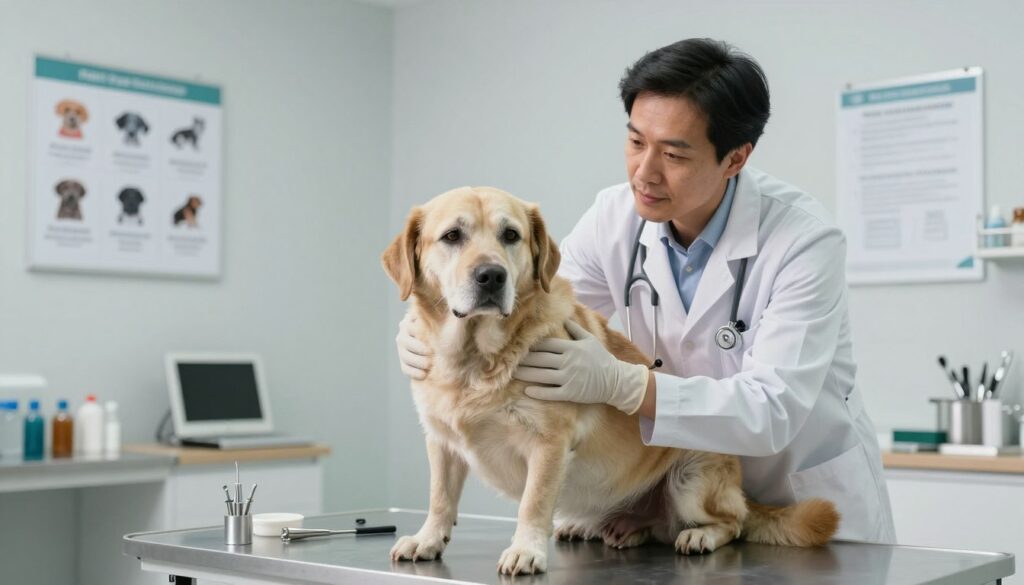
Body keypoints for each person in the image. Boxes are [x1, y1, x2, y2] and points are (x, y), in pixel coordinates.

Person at [396, 38, 895, 544]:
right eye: (636, 142)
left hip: (791, 485)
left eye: (674, 154)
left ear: (735, 159)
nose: (645, 172)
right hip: (651, 502)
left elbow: (772, 411)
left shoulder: (804, 241)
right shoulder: (613, 217)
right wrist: (434, 325)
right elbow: (539, 306)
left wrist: (626, 385)